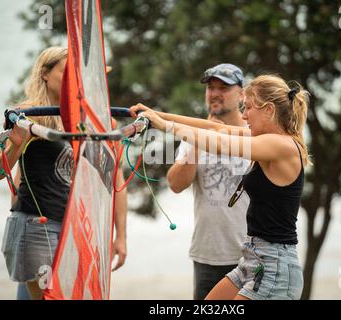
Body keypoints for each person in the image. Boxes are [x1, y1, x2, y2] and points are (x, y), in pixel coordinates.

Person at [130, 73, 309, 300]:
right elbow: (215, 129)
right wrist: (156, 115)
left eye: (248, 108)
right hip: (253, 260)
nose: (243, 116)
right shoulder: (269, 140)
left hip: (275, 268)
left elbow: (221, 142)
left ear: (269, 110)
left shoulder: (281, 145)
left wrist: (165, 126)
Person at [0, 47, 127, 300]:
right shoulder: (29, 115)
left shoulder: (89, 120)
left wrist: (120, 235)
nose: (72, 81)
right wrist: (17, 143)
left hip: (74, 227)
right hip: (36, 225)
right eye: (65, 73)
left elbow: (112, 180)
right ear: (44, 73)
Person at [166, 63, 250, 300]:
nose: (214, 93)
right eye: (211, 88)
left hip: (251, 256)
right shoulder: (194, 136)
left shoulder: (255, 134)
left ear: (242, 94)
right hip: (207, 256)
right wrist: (197, 139)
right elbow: (175, 184)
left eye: (223, 87)